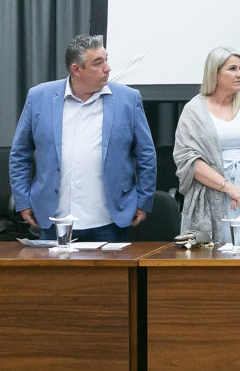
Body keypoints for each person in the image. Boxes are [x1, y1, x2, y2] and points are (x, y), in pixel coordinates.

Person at [10, 34, 156, 242]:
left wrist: (143, 200)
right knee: (56, 276)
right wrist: (22, 200)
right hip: (54, 219)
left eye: (106, 59)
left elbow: (146, 155)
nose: (107, 68)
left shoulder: (128, 99)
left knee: (109, 276)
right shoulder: (39, 97)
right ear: (76, 69)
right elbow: (20, 153)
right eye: (98, 63)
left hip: (110, 221)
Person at [173, 47, 240, 244]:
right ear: (214, 72)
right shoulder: (194, 110)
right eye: (232, 69)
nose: (239, 75)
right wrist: (230, 189)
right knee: (213, 260)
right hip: (211, 194)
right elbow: (188, 160)